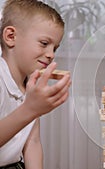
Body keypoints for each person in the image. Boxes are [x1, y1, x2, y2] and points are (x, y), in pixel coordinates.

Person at [0, 0, 71, 168]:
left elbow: (32, 142)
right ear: (11, 36)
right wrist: (31, 109)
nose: (51, 55)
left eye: (55, 48)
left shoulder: (30, 87)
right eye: (44, 44)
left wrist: (33, 108)